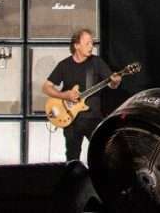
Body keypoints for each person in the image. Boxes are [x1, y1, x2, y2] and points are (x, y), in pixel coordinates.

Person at [42, 28, 121, 162]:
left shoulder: (96, 62)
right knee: (72, 157)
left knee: (104, 154)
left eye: (92, 43)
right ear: (76, 45)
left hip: (93, 118)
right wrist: (65, 95)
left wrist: (115, 81)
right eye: (87, 43)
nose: (91, 47)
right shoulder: (64, 65)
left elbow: (112, 84)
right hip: (71, 119)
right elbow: (46, 87)